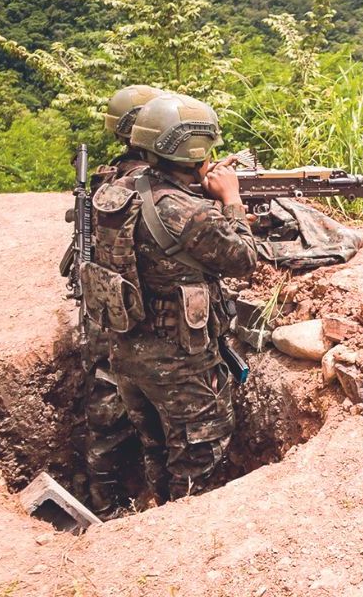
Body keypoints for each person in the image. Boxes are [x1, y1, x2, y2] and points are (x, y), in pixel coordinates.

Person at [87, 92, 257, 504]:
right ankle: (185, 531)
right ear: (195, 148)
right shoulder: (186, 211)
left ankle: (156, 512)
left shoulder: (116, 190)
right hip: (180, 360)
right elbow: (244, 258)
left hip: (127, 349)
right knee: (199, 454)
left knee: (157, 445)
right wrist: (230, 199)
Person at [81, 84, 168, 517]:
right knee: (144, 415)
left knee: (108, 414)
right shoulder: (148, 184)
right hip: (133, 319)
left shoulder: (106, 177)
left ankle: (108, 504)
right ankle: (136, 510)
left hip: (103, 308)